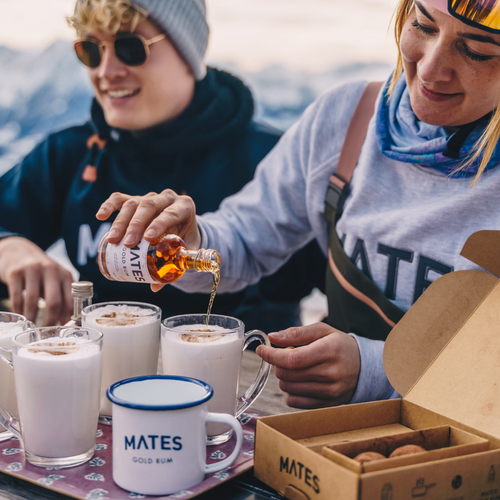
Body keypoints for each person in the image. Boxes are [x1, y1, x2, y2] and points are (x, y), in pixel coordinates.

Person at [96, 0, 500, 409]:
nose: (431, 68)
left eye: (477, 51)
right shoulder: (347, 120)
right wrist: (190, 237)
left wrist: (374, 372)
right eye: (424, 27)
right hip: (328, 445)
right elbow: (244, 239)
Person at [0, 0, 324, 328]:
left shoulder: (275, 161)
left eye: (130, 47)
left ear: (188, 54)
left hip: (247, 374)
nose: (105, 71)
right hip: (102, 366)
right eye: (91, 51)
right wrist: (8, 247)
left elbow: (356, 290)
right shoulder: (70, 154)